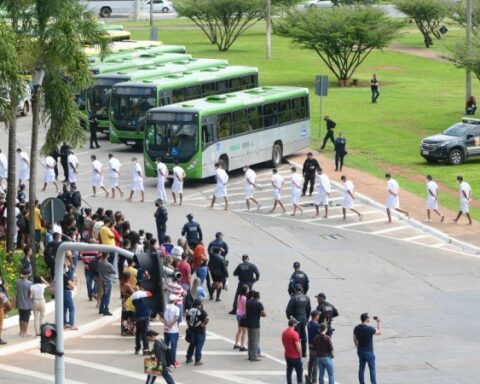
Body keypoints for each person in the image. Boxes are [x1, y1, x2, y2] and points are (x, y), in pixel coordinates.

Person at [354, 313, 382, 384]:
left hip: (360, 351)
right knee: (372, 369)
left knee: (361, 368)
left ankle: (361, 382)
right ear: (366, 319)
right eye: (368, 318)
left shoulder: (356, 328)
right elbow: (379, 333)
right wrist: (378, 322)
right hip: (369, 351)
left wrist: (358, 347)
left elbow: (354, 339)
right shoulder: (369, 329)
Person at [286, 284, 311, 358]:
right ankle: (304, 353)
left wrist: (289, 318)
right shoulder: (306, 297)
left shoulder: (294, 298)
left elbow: (288, 310)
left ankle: (296, 352)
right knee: (303, 335)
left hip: (296, 318)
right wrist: (307, 318)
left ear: (295, 290)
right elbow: (309, 309)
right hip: (304, 318)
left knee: (296, 336)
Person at [186, 299, 209, 366]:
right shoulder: (201, 310)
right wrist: (204, 324)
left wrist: (189, 326)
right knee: (199, 345)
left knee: (192, 344)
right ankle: (197, 360)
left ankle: (188, 358)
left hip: (192, 330)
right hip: (200, 331)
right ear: (200, 304)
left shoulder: (190, 310)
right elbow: (207, 318)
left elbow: (187, 319)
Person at [132, 285, 153, 355]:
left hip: (138, 317)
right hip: (146, 317)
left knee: (138, 333)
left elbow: (133, 305)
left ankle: (137, 348)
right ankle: (146, 348)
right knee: (144, 333)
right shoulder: (146, 298)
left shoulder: (134, 299)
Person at [246, 290, 266, 361]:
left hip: (248, 323)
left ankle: (250, 355)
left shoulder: (248, 302)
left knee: (250, 340)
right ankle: (254, 356)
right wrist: (259, 314)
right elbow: (264, 314)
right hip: (255, 324)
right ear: (258, 297)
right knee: (255, 341)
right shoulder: (259, 304)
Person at [282, 318, 303, 384]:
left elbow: (283, 342)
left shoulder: (284, 332)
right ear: (294, 324)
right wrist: (301, 353)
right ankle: (299, 382)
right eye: (296, 323)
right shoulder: (294, 333)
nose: (296, 324)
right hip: (295, 356)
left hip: (287, 354)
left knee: (289, 370)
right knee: (299, 371)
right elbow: (298, 345)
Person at [161, 294, 180, 366]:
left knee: (166, 345)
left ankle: (166, 360)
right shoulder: (176, 308)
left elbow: (160, 317)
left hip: (166, 330)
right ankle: (173, 360)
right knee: (173, 346)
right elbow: (176, 318)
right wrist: (170, 325)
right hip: (174, 330)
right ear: (174, 300)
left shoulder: (164, 307)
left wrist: (166, 324)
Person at [97, 252, 116, 316]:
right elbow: (114, 271)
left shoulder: (99, 262)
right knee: (107, 296)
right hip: (107, 281)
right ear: (107, 256)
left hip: (101, 280)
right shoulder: (108, 264)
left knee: (103, 296)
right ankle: (106, 310)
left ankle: (101, 309)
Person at [16, 270, 33, 336]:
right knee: (26, 318)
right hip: (27, 303)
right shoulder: (29, 283)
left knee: (21, 317)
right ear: (27, 275)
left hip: (20, 302)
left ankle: (21, 331)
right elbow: (30, 293)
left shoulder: (17, 282)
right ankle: (25, 332)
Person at [234, 284, 249, 352]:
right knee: (244, 331)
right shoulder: (245, 298)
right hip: (243, 315)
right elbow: (245, 308)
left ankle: (236, 344)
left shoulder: (239, 296)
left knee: (239, 330)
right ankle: (242, 346)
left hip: (238, 314)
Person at [307, 311, 321, 384]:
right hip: (315, 346)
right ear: (315, 316)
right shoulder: (316, 325)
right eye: (318, 315)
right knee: (315, 363)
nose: (319, 317)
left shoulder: (309, 323)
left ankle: (309, 375)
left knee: (311, 361)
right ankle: (314, 379)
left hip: (310, 345)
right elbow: (322, 332)